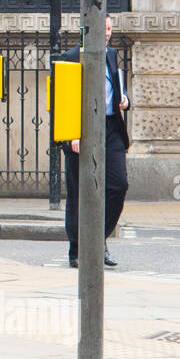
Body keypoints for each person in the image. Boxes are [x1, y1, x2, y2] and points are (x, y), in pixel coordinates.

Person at [56, 15, 130, 269]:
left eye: (110, 29)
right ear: (88, 30)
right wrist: (72, 134)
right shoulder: (70, 56)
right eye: (103, 28)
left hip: (110, 128)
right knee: (79, 191)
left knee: (118, 185)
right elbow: (62, 99)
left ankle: (98, 239)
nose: (107, 33)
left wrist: (125, 100)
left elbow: (116, 87)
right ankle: (76, 249)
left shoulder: (111, 55)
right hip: (81, 128)